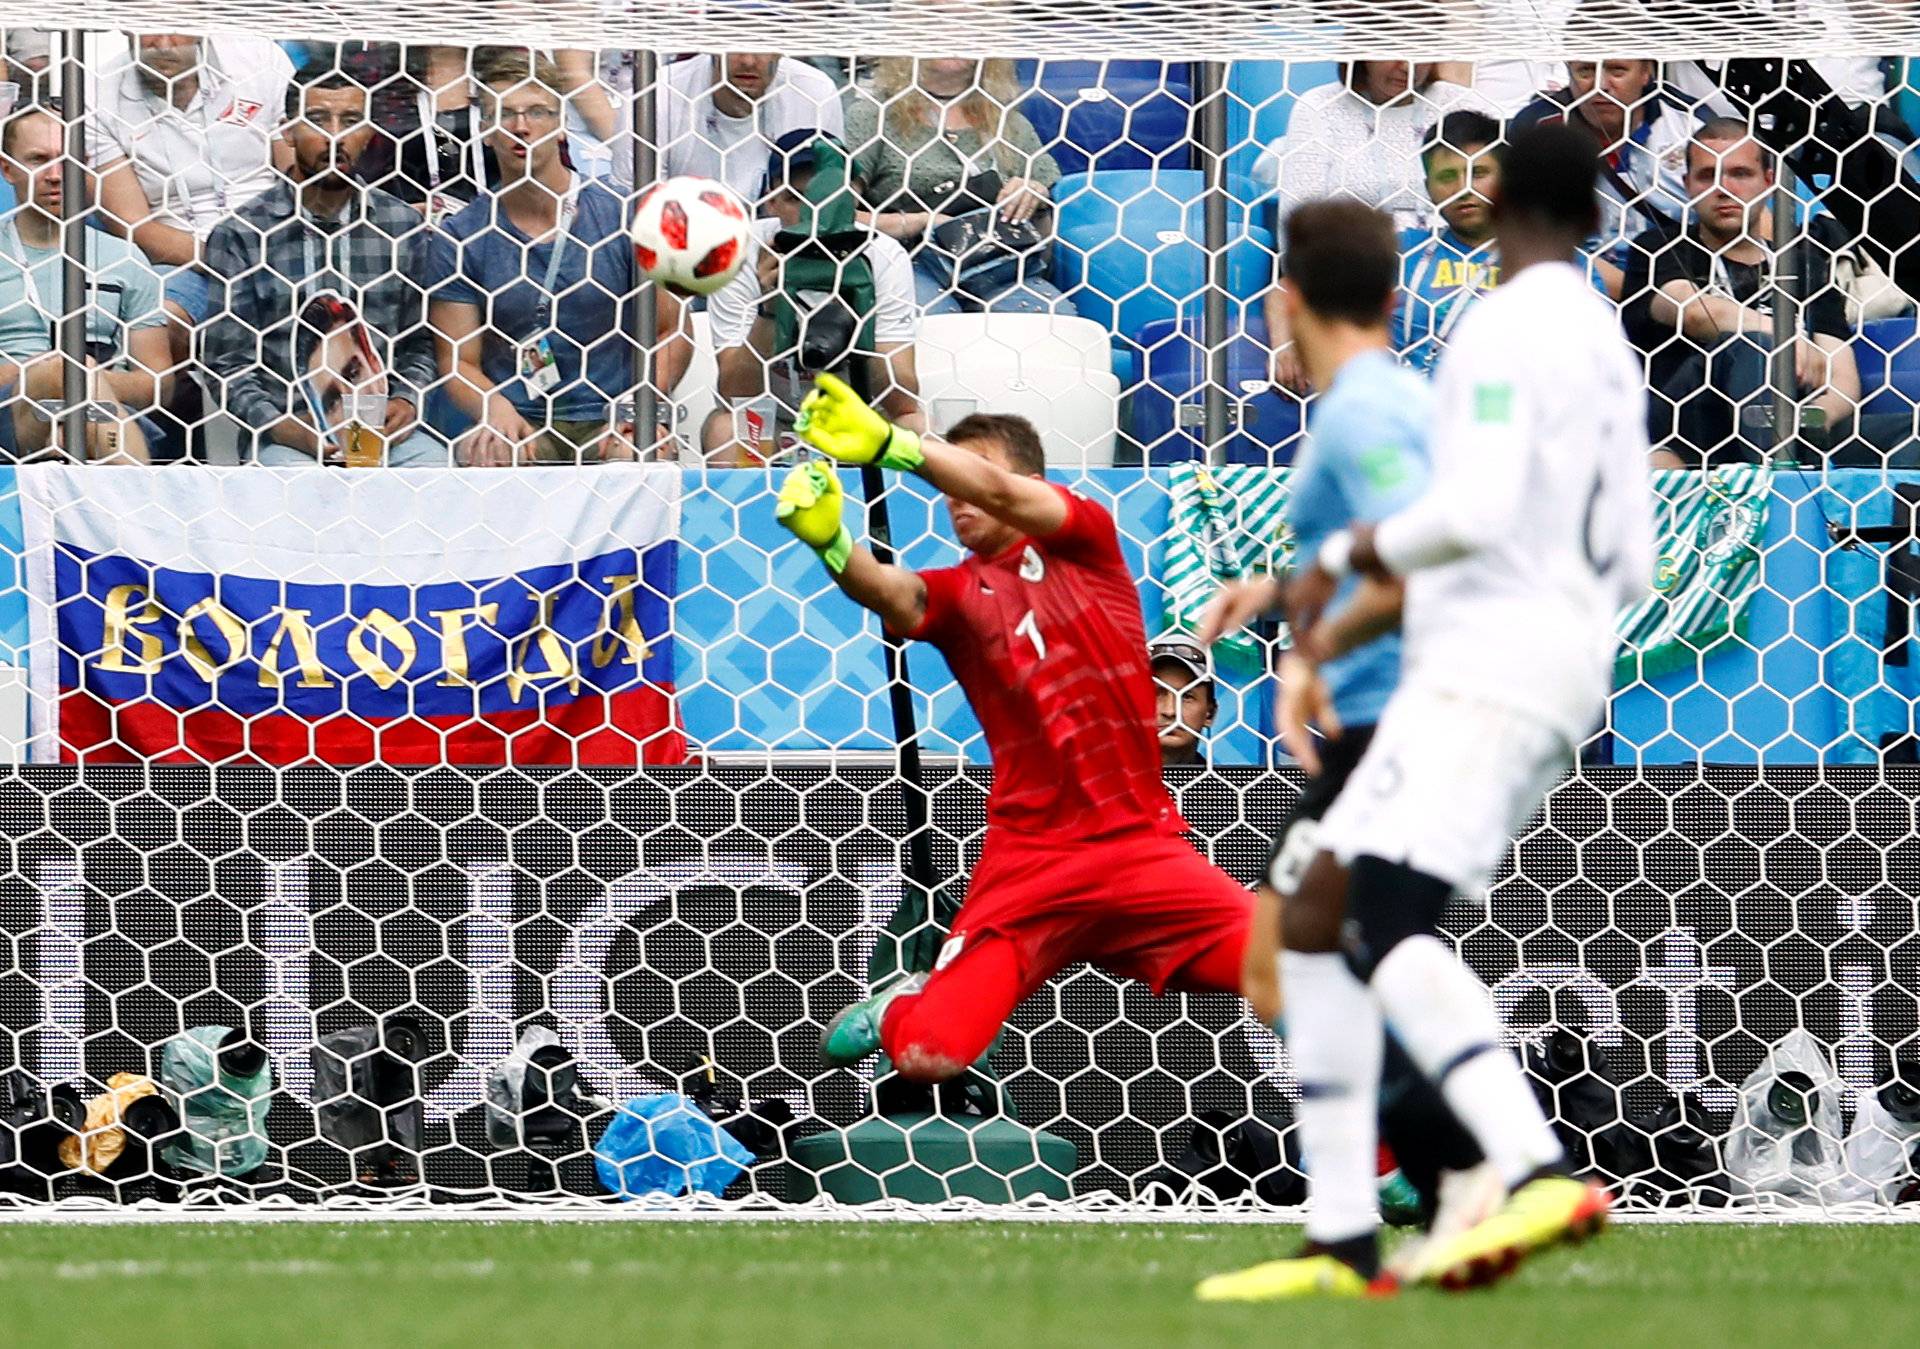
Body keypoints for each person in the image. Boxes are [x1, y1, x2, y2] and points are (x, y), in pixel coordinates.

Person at [1199, 124, 1654, 1297]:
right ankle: (1348, 1229)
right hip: (1565, 652)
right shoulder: (1601, 337)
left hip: (1485, 663)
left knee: (1377, 925)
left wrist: (1353, 549)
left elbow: (1475, 507)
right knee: (1321, 923)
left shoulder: (1505, 325)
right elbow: (1639, 555)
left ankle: (1525, 1163)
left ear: (1494, 197)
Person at [426, 49, 687, 465]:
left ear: (562, 125)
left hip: (610, 417)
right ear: (485, 129)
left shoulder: (625, 216)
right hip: (521, 418)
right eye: (505, 114)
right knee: (492, 453)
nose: (521, 127)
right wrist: (494, 409)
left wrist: (636, 410)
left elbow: (672, 331)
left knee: (637, 451)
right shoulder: (462, 237)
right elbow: (459, 362)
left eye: (537, 113)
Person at [201, 66, 445, 467]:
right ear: (287, 131)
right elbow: (228, 363)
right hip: (288, 438)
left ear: (370, 134)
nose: (335, 135)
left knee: (435, 479)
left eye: (351, 121)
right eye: (317, 120)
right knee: (291, 488)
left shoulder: (402, 227)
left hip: (383, 434)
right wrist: (280, 425)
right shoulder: (241, 234)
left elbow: (420, 342)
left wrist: (406, 400)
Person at [1622, 119, 1863, 467]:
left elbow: (1842, 376)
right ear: (1688, 185)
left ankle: (1788, 468)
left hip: (1790, 425)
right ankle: (1777, 490)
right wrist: (1786, 339)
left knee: (1907, 434)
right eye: (1707, 175)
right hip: (1690, 427)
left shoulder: (1804, 261)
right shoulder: (1660, 247)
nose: (1723, 188)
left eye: (1740, 173)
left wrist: (1813, 419)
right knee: (1752, 348)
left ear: (1767, 182)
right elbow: (1692, 312)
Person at [1259, 62, 1493, 392]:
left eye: (1418, 51)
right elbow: (1300, 232)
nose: (1406, 66)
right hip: (1359, 271)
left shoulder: (1463, 104)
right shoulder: (1319, 109)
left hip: (1460, 257)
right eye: (1391, 51)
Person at [700, 131, 921, 466]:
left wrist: (859, 311)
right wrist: (771, 310)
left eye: (828, 198)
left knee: (917, 428)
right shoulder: (738, 254)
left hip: (858, 417)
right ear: (770, 201)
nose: (813, 214)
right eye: (796, 198)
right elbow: (734, 394)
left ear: (855, 201)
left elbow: (902, 400)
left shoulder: (883, 255)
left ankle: (883, 520)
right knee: (724, 429)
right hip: (774, 421)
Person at [87, 33, 296, 370]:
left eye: (176, 24)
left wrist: (282, 253)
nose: (165, 44)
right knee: (157, 325)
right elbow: (133, 226)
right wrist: (234, 260)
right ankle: (177, 417)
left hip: (279, 245)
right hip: (181, 258)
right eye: (149, 27)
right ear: (125, 25)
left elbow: (297, 173)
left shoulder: (260, 59)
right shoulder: (96, 93)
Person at [844, 57, 1076, 316]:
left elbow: (1048, 241)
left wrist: (1035, 198)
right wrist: (921, 222)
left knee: (1053, 321)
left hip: (995, 264)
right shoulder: (873, 115)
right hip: (908, 262)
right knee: (935, 326)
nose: (953, 37)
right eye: (941, 19)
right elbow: (836, 216)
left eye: (967, 23)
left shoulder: (1008, 123)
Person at [0, 103, 167, 461]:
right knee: (69, 368)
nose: (55, 174)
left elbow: (158, 385)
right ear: (7, 168)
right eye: (38, 159)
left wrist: (85, 384)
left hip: (106, 414)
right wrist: (47, 371)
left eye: (66, 159)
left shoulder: (125, 257)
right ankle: (132, 492)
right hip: (10, 413)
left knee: (73, 387)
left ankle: (73, 436)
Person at [1513, 58, 1701, 276]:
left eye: (1617, 71)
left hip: (1674, 279)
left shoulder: (1689, 123)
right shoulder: (1536, 127)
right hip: (1572, 281)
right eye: (1586, 71)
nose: (1600, 85)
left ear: (1646, 71)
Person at [621, 51, 845, 203]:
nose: (748, 60)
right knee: (602, 204)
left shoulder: (814, 92)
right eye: (735, 43)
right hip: (678, 244)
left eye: (761, 43)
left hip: (778, 245)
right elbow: (635, 204)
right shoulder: (657, 94)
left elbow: (825, 202)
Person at [1149, 634, 1217, 768]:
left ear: (1210, 714)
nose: (1170, 711)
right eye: (1156, 694)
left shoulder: (1226, 788)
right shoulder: (1104, 785)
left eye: (1187, 696)